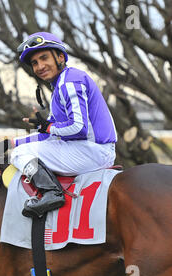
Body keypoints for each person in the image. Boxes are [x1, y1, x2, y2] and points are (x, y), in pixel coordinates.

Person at [11, 32, 117, 218]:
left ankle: (52, 193)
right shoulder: (61, 85)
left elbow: (78, 127)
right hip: (89, 149)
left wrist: (49, 128)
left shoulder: (69, 82)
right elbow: (48, 135)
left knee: (20, 155)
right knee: (19, 149)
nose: (40, 66)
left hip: (94, 151)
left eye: (44, 58)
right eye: (34, 63)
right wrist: (12, 143)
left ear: (60, 57)